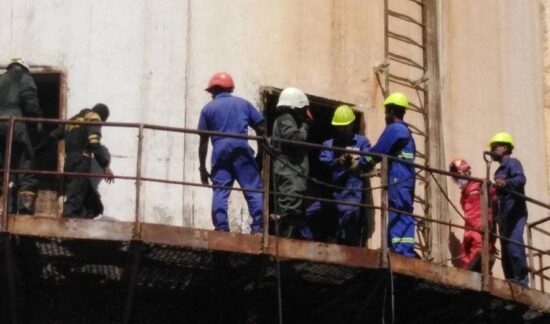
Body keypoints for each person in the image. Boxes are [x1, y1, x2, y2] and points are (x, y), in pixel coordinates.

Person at [197, 72, 264, 234]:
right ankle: (258, 228)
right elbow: (261, 128)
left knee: (220, 190)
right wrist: (261, 153)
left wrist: (202, 168)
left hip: (220, 151)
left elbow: (203, 141)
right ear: (230, 88)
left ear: (213, 90)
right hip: (241, 148)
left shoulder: (207, 109)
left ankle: (221, 228)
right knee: (253, 189)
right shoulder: (243, 104)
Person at [37, 104, 114, 218]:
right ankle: (65, 226)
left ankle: (84, 225)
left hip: (69, 162)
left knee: (93, 204)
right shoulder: (94, 117)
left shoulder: (72, 120)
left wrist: (38, 150)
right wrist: (105, 165)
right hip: (81, 161)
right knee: (74, 200)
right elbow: (94, 142)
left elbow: (53, 136)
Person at [368, 92, 416, 257]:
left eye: (386, 112)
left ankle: (402, 252)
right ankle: (399, 248)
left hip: (399, 179)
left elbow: (378, 151)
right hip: (404, 178)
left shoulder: (395, 129)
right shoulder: (407, 132)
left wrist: (360, 164)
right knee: (401, 211)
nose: (385, 116)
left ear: (391, 112)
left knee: (398, 212)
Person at [318, 105, 371, 246]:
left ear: (352, 125)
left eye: (344, 127)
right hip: (333, 190)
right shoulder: (329, 144)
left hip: (353, 190)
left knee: (350, 220)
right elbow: (324, 162)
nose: (341, 130)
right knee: (314, 213)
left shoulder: (362, 142)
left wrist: (356, 162)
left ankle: (349, 248)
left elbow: (369, 160)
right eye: (339, 127)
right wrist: (338, 161)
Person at [0, 57, 43, 214]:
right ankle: (25, 209)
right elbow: (31, 106)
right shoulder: (25, 78)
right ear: (24, 68)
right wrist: (39, 122)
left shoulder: (1, 79)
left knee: (4, 167)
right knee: (25, 163)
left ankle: (5, 207)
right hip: (15, 126)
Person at [271, 87, 314, 239]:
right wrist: (305, 126)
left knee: (295, 212)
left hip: (292, 174)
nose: (305, 113)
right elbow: (295, 139)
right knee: (290, 212)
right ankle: (284, 249)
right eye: (304, 109)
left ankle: (289, 246)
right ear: (295, 107)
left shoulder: (286, 120)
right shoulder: (285, 119)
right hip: (289, 174)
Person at [489, 132, 528, 285]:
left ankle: (522, 281)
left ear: (504, 148)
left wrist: (507, 183)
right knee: (506, 251)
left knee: (515, 245)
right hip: (504, 215)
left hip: (515, 213)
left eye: (494, 147)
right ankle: (510, 280)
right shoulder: (498, 171)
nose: (492, 150)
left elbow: (521, 179)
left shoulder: (512, 162)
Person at [448, 158, 496, 271]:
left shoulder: (480, 184)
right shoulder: (463, 196)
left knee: (480, 257)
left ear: (466, 172)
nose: (457, 179)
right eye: (455, 177)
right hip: (469, 230)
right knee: (465, 256)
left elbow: (494, 202)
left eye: (458, 175)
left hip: (480, 230)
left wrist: (492, 228)